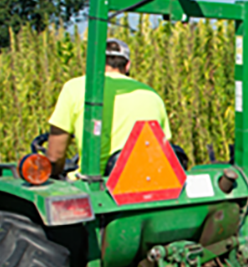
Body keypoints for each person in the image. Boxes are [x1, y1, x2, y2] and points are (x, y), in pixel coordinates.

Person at [45, 38, 170, 176]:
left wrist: (54, 174)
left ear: (94, 62)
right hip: (143, 183)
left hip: (95, 184)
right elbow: (163, 148)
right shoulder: (151, 95)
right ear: (127, 65)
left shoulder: (75, 88)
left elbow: (55, 156)